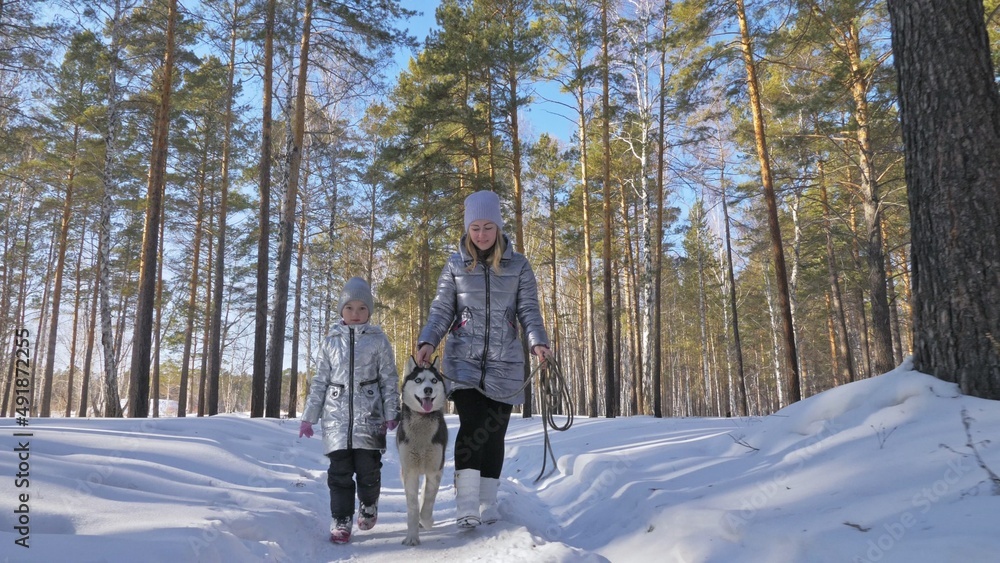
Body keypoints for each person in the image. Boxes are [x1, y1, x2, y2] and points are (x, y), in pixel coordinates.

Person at [414, 190, 552, 530]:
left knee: (494, 433)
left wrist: (538, 343)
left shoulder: (519, 266)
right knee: (473, 426)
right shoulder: (455, 264)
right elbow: (442, 309)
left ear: (498, 227)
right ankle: (466, 505)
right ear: (467, 228)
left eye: (488, 226)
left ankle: (487, 503)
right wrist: (429, 339)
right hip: (464, 362)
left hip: (506, 365)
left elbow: (529, 311)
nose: (481, 234)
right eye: (475, 227)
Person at [299, 277, 400, 544]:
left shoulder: (379, 341)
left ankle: (368, 503)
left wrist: (392, 412)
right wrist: (309, 417)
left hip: (370, 416)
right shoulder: (330, 342)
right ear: (341, 311)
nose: (356, 314)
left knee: (368, 470)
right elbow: (320, 381)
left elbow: (389, 379)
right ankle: (341, 519)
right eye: (350, 308)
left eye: (362, 308)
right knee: (339, 473)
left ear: (369, 311)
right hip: (336, 420)